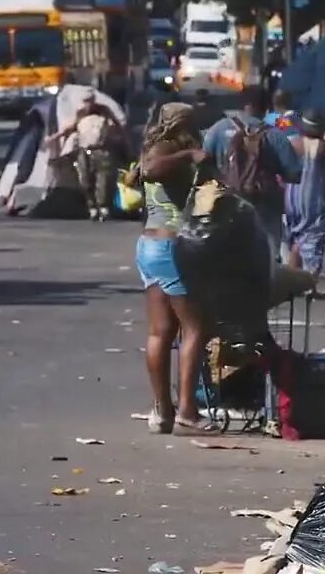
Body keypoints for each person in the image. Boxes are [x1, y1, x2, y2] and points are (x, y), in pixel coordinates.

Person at [132, 102, 210, 433]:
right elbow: (151, 171)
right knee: (195, 329)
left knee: (161, 332)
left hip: (149, 246)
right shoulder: (167, 150)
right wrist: (188, 157)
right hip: (171, 247)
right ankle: (187, 410)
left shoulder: (151, 146)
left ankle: (162, 412)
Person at [203, 85, 301, 259]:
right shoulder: (274, 128)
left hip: (228, 202)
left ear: (242, 103)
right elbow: (294, 172)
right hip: (265, 203)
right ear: (266, 106)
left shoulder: (219, 128)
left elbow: (203, 161)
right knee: (268, 257)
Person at [46, 88, 124, 221]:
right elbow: (70, 128)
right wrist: (54, 138)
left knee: (103, 180)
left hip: (102, 150)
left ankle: (103, 207)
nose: (88, 104)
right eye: (85, 101)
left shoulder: (104, 111)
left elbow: (118, 126)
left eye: (90, 101)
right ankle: (91, 207)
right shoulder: (80, 114)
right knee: (86, 180)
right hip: (85, 151)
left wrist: (118, 138)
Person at [282, 108, 325, 276]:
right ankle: (310, 286)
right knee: (312, 244)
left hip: (292, 199)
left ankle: (290, 284)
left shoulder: (292, 143)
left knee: (295, 244)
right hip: (313, 201)